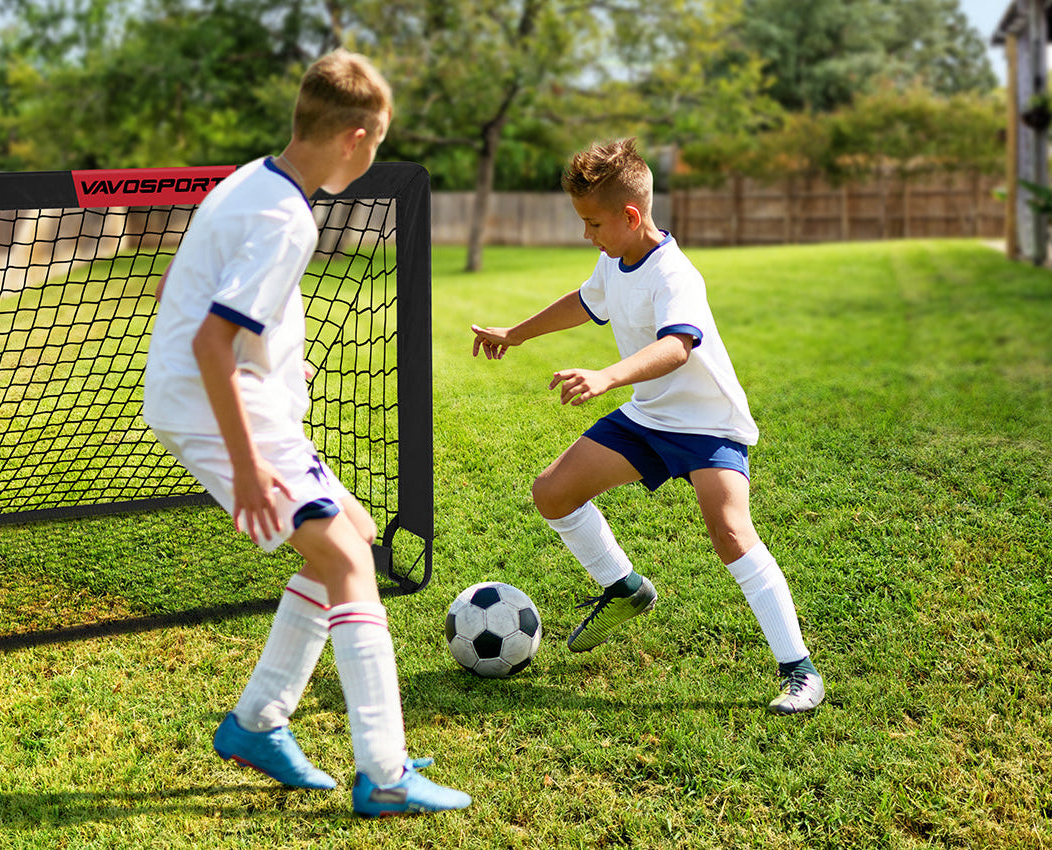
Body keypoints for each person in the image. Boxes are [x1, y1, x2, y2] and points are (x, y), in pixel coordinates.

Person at [142, 49, 470, 816]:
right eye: (378, 141)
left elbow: (178, 290)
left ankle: (257, 722)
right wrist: (248, 466)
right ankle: (384, 775)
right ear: (356, 137)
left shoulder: (249, 182)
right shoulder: (287, 216)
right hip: (222, 405)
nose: (375, 153)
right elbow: (210, 344)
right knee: (349, 560)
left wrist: (282, 358)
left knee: (353, 534)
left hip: (227, 395)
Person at [469, 138, 824, 715]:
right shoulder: (614, 260)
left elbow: (678, 346)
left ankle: (799, 671)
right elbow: (584, 302)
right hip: (650, 417)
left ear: (631, 217)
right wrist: (515, 334)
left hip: (708, 425)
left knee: (731, 533)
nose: (587, 235)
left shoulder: (675, 274)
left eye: (593, 223)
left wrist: (607, 376)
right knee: (553, 492)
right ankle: (624, 587)